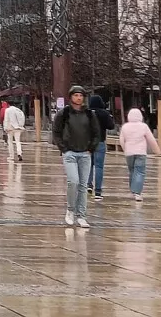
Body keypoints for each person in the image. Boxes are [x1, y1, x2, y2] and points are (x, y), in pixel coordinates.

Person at [52, 85, 102, 228]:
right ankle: (70, 210)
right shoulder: (64, 113)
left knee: (83, 185)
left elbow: (96, 133)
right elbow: (56, 132)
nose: (79, 98)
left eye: (81, 95)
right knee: (73, 181)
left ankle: (81, 215)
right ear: (71, 97)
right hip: (70, 153)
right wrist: (63, 148)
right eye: (76, 95)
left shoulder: (89, 114)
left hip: (85, 153)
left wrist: (91, 148)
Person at [118, 108, 159, 202]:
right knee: (140, 172)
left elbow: (121, 140)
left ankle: (132, 190)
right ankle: (137, 193)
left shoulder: (125, 127)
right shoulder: (143, 126)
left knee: (132, 171)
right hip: (141, 152)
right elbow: (151, 139)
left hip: (129, 153)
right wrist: (156, 150)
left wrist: (125, 150)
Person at [86, 95, 116, 201]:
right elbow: (111, 126)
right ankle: (98, 192)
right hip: (100, 142)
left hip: (88, 142)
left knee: (88, 165)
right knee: (99, 167)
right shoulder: (104, 113)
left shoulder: (87, 113)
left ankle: (88, 185)